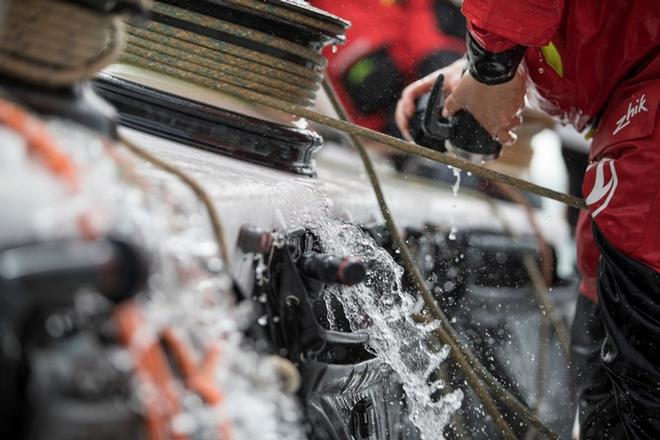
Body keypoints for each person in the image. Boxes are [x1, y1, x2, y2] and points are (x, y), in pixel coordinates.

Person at [395, 1, 660, 438]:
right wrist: (496, 66)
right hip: (627, 121)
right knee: (611, 388)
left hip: (642, 146)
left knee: (636, 399)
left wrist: (490, 69)